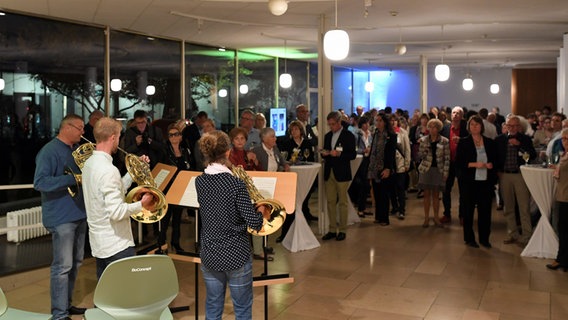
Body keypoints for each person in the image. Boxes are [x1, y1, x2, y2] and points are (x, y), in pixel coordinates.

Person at [195, 130, 266, 320]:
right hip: (236, 254)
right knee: (242, 309)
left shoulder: (199, 181)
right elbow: (254, 223)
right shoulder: (235, 184)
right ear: (227, 152)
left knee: (213, 304)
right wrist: (260, 210)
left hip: (210, 253)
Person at [81, 117, 156, 279]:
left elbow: (115, 189)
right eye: (119, 136)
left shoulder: (89, 164)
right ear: (113, 137)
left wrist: (133, 172)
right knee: (125, 298)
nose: (120, 141)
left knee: (107, 295)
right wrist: (141, 204)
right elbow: (116, 212)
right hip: (117, 244)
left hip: (100, 243)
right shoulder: (109, 170)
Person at [33, 114, 88, 320]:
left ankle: (67, 304)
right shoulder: (49, 151)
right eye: (80, 128)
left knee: (76, 262)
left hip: (78, 214)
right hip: (61, 217)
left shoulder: (73, 151)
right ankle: (59, 314)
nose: (83, 133)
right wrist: (74, 178)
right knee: (62, 266)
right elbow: (40, 182)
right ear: (67, 127)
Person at [456, 115, 497, 248]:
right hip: (469, 182)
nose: (474, 127)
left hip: (485, 182)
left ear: (481, 126)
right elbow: (459, 163)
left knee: (485, 212)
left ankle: (484, 238)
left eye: (477, 124)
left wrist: (491, 164)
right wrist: (474, 164)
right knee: (468, 211)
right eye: (472, 124)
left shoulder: (489, 142)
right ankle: (469, 238)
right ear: (468, 127)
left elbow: (495, 160)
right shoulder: (463, 142)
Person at [495, 115, 536, 247]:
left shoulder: (525, 139)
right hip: (505, 175)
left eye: (514, 125)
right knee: (508, 207)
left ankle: (527, 235)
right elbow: (495, 157)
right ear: (505, 126)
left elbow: (531, 156)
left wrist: (519, 146)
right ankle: (513, 233)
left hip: (520, 175)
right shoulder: (500, 139)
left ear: (519, 126)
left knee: (524, 207)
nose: (512, 128)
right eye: (509, 125)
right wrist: (498, 172)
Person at [321, 111, 356, 241]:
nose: (331, 127)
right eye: (329, 124)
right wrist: (324, 153)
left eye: (333, 124)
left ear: (339, 122)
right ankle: (331, 229)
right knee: (330, 202)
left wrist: (339, 154)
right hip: (329, 171)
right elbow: (325, 150)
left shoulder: (348, 136)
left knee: (342, 202)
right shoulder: (328, 136)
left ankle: (342, 230)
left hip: (342, 172)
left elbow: (352, 154)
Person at [159, 123, 192, 253]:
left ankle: (176, 243)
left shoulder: (185, 151)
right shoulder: (164, 151)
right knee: (165, 219)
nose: (174, 137)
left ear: (181, 136)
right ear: (168, 137)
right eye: (171, 135)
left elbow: (190, 167)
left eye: (176, 134)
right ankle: (161, 243)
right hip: (167, 189)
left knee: (178, 219)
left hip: (180, 188)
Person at [417, 118, 450, 228]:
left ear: (438, 128)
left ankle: (436, 217)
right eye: (430, 127)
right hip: (426, 169)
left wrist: (445, 173)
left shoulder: (444, 141)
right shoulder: (423, 140)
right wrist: (424, 150)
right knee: (426, 195)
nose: (432, 129)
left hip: (438, 170)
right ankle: (426, 218)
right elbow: (420, 156)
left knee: (436, 195)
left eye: (434, 127)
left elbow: (447, 158)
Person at [367, 113, 397, 225]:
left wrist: (388, 168)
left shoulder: (390, 135)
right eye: (376, 120)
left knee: (384, 194)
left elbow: (391, 154)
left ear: (385, 122)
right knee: (376, 192)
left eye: (380, 120)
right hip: (374, 167)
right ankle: (378, 216)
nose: (378, 123)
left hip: (384, 167)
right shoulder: (375, 134)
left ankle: (385, 218)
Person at [440, 106, 468, 224]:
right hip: (448, 163)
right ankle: (447, 214)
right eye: (453, 113)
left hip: (461, 164)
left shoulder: (466, 128)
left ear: (462, 116)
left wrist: (461, 140)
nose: (455, 115)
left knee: (463, 191)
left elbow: (470, 142)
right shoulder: (445, 128)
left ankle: (462, 215)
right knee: (446, 189)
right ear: (450, 115)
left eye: (458, 113)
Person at [547, 128, 568, 271]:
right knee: (563, 228)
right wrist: (557, 167)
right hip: (563, 194)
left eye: (567, 139)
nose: (564, 141)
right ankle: (561, 258)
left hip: (567, 196)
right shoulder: (565, 154)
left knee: (565, 229)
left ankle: (563, 259)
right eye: (563, 139)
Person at [348, 116, 372, 218]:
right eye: (365, 123)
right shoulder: (357, 134)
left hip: (368, 160)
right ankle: (360, 208)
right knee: (364, 183)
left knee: (367, 184)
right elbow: (354, 148)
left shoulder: (370, 134)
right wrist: (363, 151)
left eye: (368, 123)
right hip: (360, 160)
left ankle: (362, 207)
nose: (367, 125)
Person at [389, 114, 411, 220]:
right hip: (390, 165)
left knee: (400, 187)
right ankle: (394, 207)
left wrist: (407, 163)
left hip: (400, 163)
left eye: (395, 120)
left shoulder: (402, 132)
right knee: (391, 188)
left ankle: (402, 209)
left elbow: (407, 149)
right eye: (391, 120)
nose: (393, 122)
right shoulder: (387, 132)